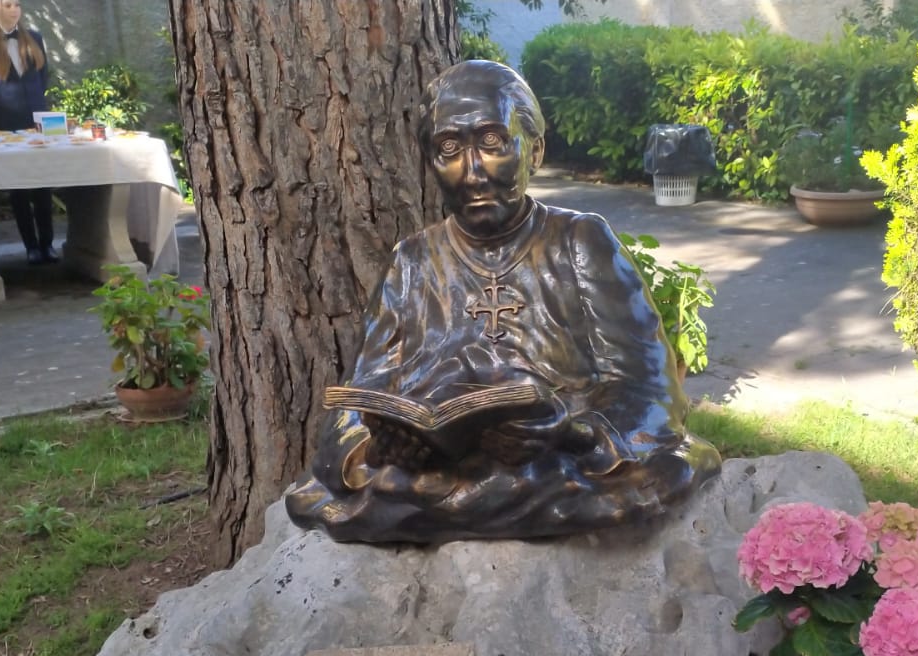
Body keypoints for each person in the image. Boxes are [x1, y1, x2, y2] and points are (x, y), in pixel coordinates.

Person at [285, 60, 721, 544]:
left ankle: (460, 501)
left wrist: (574, 433)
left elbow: (650, 388)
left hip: (560, 461)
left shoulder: (580, 242)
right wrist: (376, 446)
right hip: (435, 470)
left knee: (654, 474)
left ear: (534, 150)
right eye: (449, 149)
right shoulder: (411, 263)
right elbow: (359, 399)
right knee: (365, 484)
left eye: (492, 142)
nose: (472, 173)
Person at [0, 0, 57, 265]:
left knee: (42, 184)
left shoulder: (34, 37)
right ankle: (30, 246)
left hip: (37, 121)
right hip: (6, 122)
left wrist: (35, 107)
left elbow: (42, 77)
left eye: (17, 5)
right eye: (8, 5)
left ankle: (47, 244)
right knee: (18, 187)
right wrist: (0, 110)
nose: (14, 9)